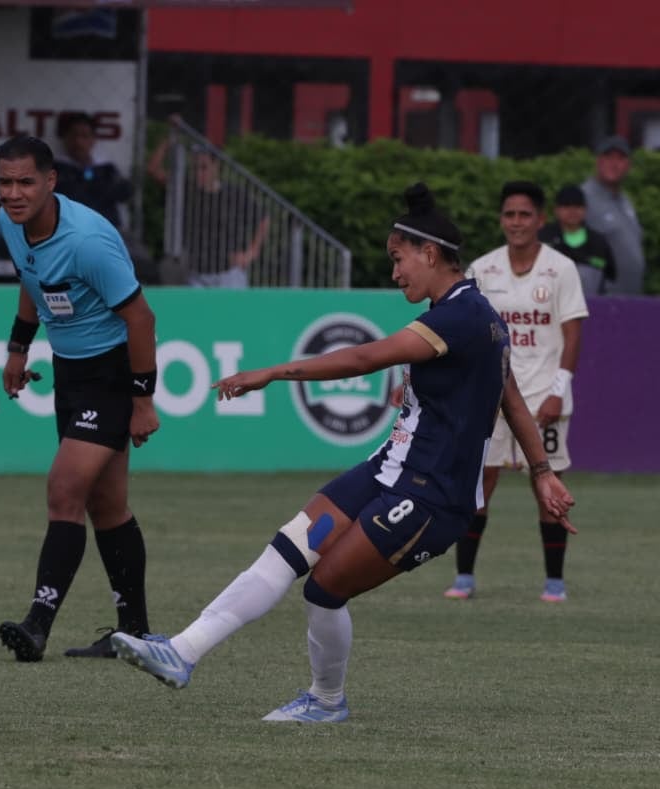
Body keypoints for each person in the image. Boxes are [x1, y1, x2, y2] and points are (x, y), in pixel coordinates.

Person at [111, 184, 576, 722]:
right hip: (390, 469)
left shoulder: (462, 317)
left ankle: (327, 701)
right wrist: (541, 473)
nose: (395, 273)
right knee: (288, 548)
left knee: (325, 588)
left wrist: (274, 372)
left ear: (429, 254)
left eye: (398, 260)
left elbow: (367, 357)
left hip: (432, 497)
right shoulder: (477, 314)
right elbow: (513, 402)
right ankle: (182, 652)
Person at [0, 135, 161, 662]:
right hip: (69, 373)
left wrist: (141, 401)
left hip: (112, 374)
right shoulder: (10, 224)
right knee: (107, 506)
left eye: (25, 182)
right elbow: (31, 278)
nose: (13, 194)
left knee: (64, 489)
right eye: (4, 182)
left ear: (50, 182)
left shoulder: (86, 239)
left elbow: (141, 318)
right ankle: (133, 633)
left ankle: (37, 624)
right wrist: (18, 348)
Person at [444, 181, 589, 603]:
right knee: (479, 483)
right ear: (501, 220)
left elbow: (572, 332)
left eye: (525, 214)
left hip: (543, 396)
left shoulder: (560, 268)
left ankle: (554, 583)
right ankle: (464, 578)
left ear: (540, 220)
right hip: (489, 398)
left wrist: (558, 391)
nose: (517, 222)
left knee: (548, 486)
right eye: (509, 214)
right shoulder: (482, 269)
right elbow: (460, 327)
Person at [148, 137, 269, 289]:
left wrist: (251, 252)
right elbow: (153, 170)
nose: (199, 173)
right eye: (195, 168)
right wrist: (168, 141)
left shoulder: (233, 194)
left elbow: (263, 219)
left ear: (215, 166)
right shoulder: (187, 189)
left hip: (229, 274)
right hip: (196, 274)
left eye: (204, 167)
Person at [581, 135, 645, 296]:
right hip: (600, 302)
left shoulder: (625, 201)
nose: (614, 164)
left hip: (628, 301)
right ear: (598, 161)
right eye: (608, 157)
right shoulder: (583, 198)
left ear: (628, 165)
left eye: (621, 158)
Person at [53, 111, 133, 230]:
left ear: (93, 139)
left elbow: (124, 193)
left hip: (103, 231)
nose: (78, 142)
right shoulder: (55, 169)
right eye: (73, 135)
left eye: (84, 136)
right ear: (65, 138)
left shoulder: (106, 169)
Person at [538, 184, 616, 299]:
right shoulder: (542, 237)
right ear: (556, 210)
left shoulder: (599, 241)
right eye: (566, 206)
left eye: (577, 206)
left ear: (585, 209)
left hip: (592, 306)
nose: (572, 211)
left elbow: (610, 278)